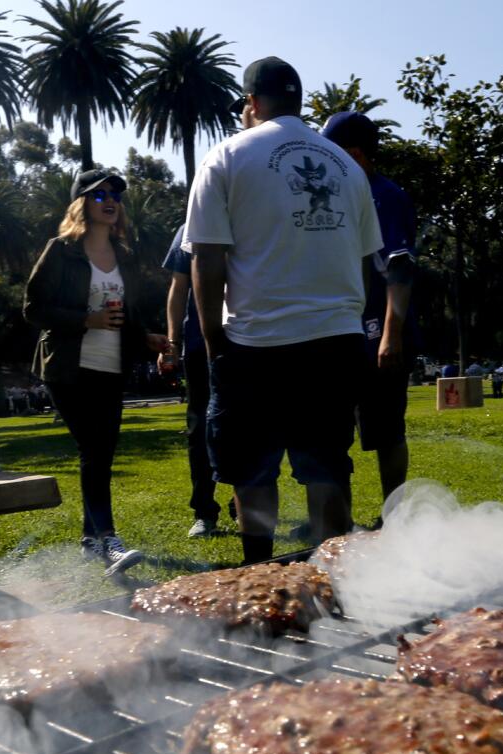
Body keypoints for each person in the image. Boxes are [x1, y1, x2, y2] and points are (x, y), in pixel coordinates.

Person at [186, 57, 383, 564]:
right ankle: (336, 573)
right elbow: (364, 263)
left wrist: (213, 340)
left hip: (256, 344)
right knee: (326, 468)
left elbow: (207, 257)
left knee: (252, 471)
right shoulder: (344, 165)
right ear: (298, 101)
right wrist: (348, 320)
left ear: (251, 103)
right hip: (336, 342)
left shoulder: (226, 156)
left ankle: (258, 573)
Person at [23, 169, 169, 574]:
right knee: (93, 452)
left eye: (115, 196)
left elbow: (128, 315)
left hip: (111, 368)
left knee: (101, 454)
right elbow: (33, 309)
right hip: (68, 369)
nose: (110, 201)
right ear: (81, 203)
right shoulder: (61, 250)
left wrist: (147, 338)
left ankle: (92, 538)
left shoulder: (124, 255)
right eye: (99, 194)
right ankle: (107, 540)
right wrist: (86, 320)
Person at [319, 110, 418, 520]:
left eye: (333, 151)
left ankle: (392, 514)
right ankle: (338, 521)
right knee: (332, 432)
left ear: (356, 154)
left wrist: (390, 334)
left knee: (386, 428)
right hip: (338, 332)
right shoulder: (332, 195)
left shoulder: (386, 195)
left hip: (379, 332)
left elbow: (399, 268)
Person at [161, 223, 226, 538]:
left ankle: (245, 503)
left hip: (248, 339)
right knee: (199, 428)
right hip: (199, 347)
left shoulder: (249, 212)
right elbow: (178, 285)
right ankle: (204, 510)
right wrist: (172, 343)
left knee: (250, 426)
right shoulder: (189, 227)